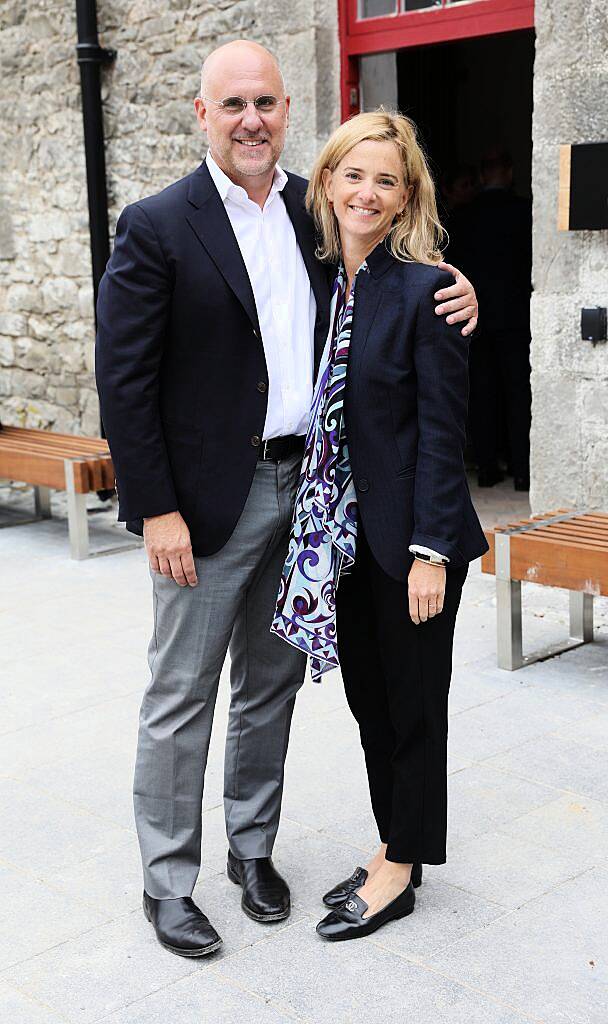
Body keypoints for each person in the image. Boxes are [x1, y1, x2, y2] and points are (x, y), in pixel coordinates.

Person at [95, 41, 479, 958]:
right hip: (204, 503)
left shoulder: (319, 204)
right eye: (232, 105)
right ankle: (168, 884)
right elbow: (124, 379)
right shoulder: (158, 224)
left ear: (285, 107)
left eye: (265, 101)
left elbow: (389, 269)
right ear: (202, 114)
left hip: (310, 496)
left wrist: (462, 290)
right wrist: (155, 509)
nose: (251, 120)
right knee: (180, 694)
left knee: (268, 689)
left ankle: (253, 852)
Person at [272, 110, 489, 942]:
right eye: (352, 174)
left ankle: (402, 868)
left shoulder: (426, 287)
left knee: (412, 707)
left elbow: (444, 429)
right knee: (371, 703)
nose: (367, 192)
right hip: (343, 542)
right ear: (326, 180)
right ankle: (392, 842)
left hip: (411, 543)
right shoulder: (328, 280)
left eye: (386, 181)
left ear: (405, 201)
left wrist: (433, 548)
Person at [448, 147, 532, 490]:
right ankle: (523, 470)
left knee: (481, 394)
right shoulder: (524, 211)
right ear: (509, 172)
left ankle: (485, 468)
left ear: (483, 176)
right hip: (515, 315)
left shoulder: (464, 217)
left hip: (475, 318)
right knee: (518, 393)